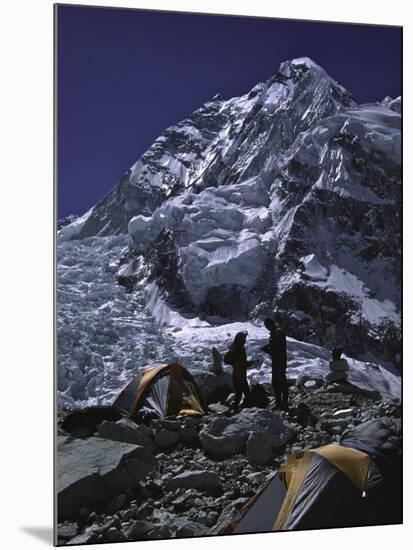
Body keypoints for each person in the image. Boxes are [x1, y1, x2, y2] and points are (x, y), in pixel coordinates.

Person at [262, 318, 288, 410]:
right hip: (278, 361)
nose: (267, 328)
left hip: (279, 361)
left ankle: (282, 403)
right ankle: (281, 402)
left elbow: (277, 348)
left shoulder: (277, 333)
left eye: (267, 326)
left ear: (270, 324)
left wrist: (268, 349)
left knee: (279, 382)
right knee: (278, 382)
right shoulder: (276, 332)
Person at [224, 331, 253, 413]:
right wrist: (251, 363)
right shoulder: (239, 349)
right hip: (239, 375)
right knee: (242, 393)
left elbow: (228, 360)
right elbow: (242, 363)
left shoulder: (235, 348)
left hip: (238, 374)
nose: (245, 340)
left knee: (240, 393)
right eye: (244, 338)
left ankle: (238, 409)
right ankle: (239, 409)